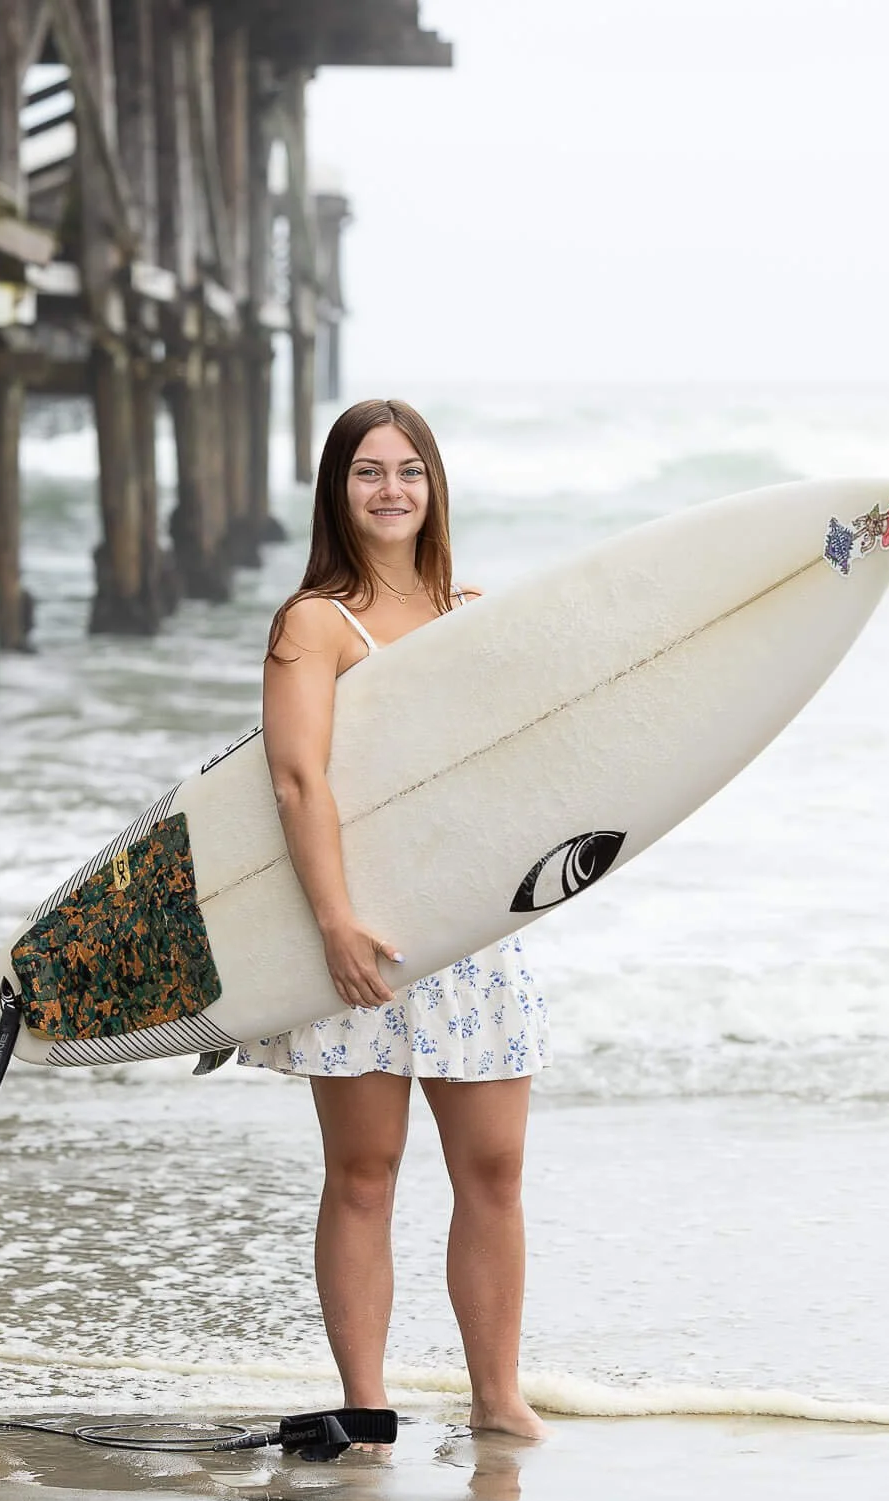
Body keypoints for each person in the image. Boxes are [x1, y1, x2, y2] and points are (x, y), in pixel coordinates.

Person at [238, 397, 550, 1441]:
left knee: (495, 1169)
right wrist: (332, 921)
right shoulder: (314, 622)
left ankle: (497, 1398)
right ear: (338, 490)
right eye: (368, 471)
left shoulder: (475, 612)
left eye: (409, 471)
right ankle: (366, 1404)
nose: (390, 490)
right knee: (363, 1173)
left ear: (434, 487)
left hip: (465, 928)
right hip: (359, 928)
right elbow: (294, 780)